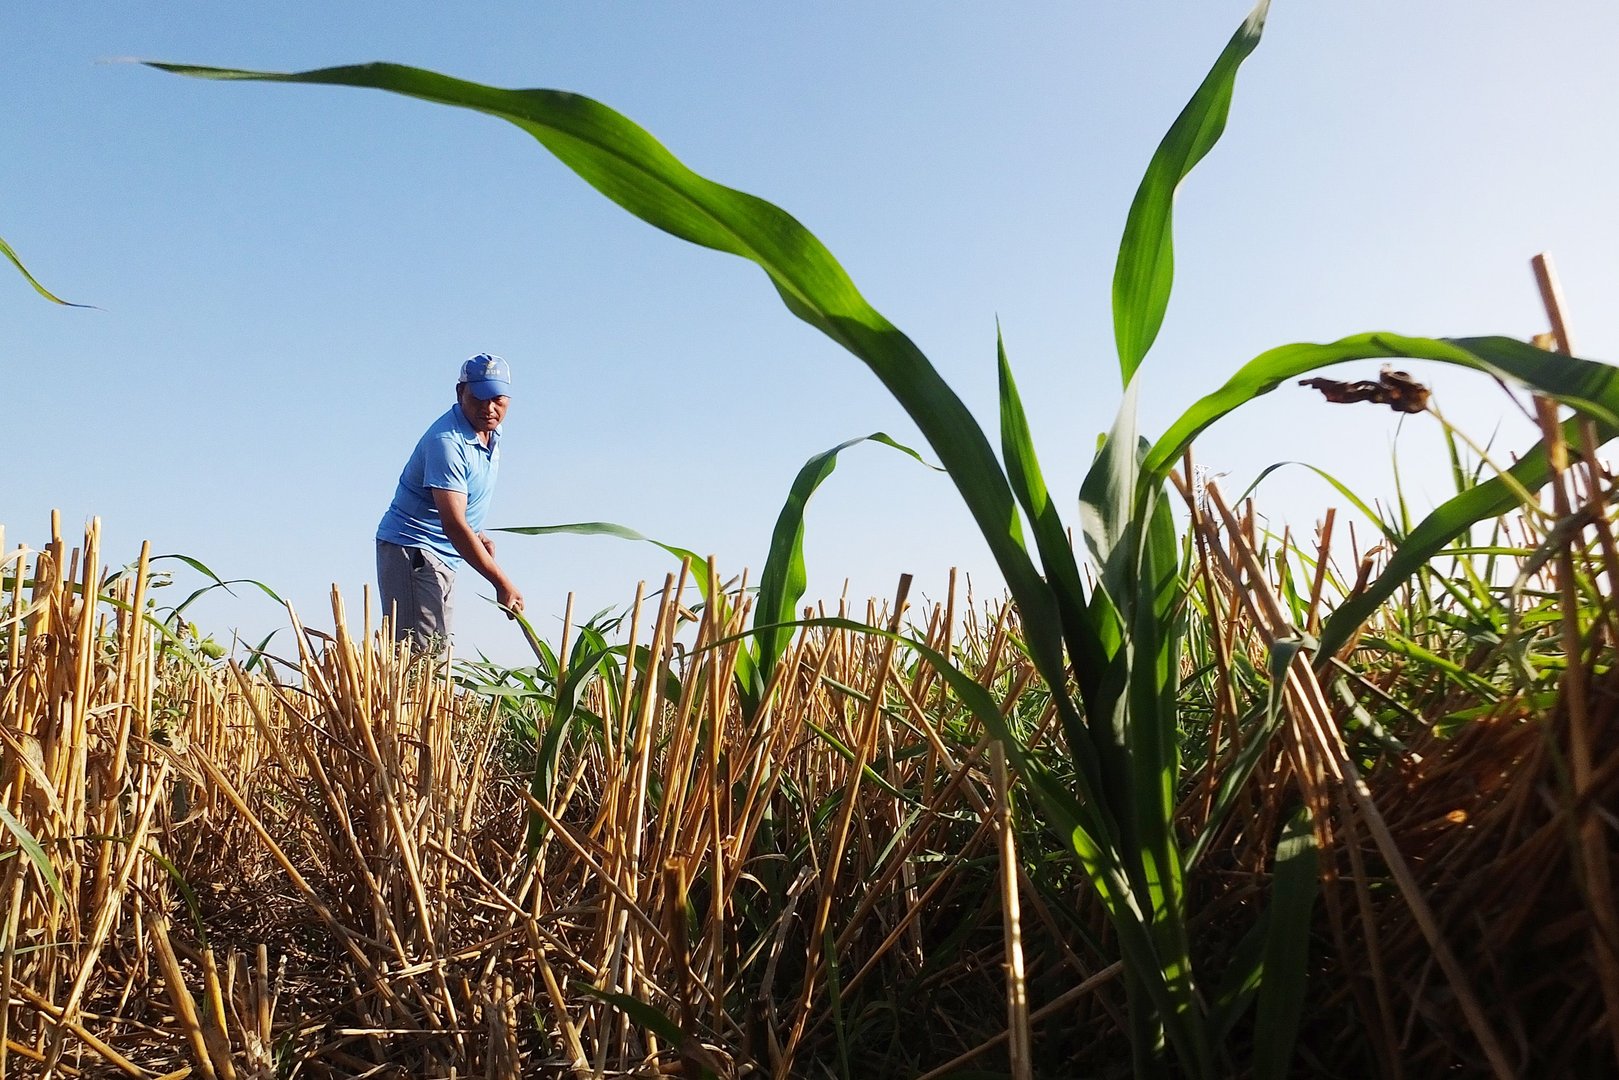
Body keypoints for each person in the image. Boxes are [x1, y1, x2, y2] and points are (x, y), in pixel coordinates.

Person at [376, 353, 525, 651]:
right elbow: (454, 525)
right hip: (415, 549)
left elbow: (459, 510)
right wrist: (501, 583)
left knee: (438, 648)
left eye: (497, 398)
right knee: (420, 654)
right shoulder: (446, 442)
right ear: (460, 392)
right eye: (479, 397)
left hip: (445, 554)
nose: (488, 408)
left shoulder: (490, 434)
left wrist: (476, 532)